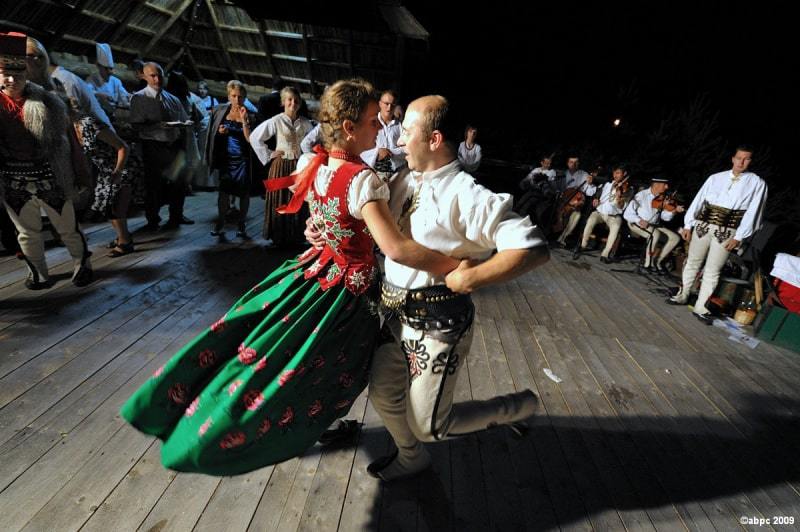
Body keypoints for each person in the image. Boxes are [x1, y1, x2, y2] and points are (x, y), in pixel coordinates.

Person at [120, 78, 460, 475]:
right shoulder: (363, 181)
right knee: (332, 366)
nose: (379, 127)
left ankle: (310, 425)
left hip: (313, 276)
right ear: (349, 128)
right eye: (371, 121)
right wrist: (455, 267)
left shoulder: (316, 166)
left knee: (296, 361)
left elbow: (321, 221)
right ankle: (379, 444)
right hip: (346, 294)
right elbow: (396, 248)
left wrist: (319, 231)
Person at [364, 95, 550, 481]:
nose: (399, 141)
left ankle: (515, 408)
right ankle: (410, 457)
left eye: (407, 133)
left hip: (438, 324)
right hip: (396, 315)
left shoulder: (467, 195)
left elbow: (533, 248)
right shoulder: (402, 177)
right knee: (382, 394)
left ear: (434, 139)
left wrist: (471, 277)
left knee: (431, 426)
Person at [0, 31, 93, 289]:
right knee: (27, 231)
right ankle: (38, 272)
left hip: (49, 173)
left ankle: (81, 263)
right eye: (4, 74)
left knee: (66, 226)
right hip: (12, 178)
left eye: (17, 73)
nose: (10, 79)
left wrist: (80, 171)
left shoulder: (49, 100)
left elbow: (69, 141)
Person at [667, 146, 767, 323]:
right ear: (733, 158)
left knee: (713, 269)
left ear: (751, 161)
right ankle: (683, 294)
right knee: (692, 261)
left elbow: (754, 212)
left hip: (727, 230)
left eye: (746, 159)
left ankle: (701, 305)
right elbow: (700, 199)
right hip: (703, 225)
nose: (741, 162)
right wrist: (688, 224)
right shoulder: (716, 178)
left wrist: (739, 236)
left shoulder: (757, 183)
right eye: (739, 158)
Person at [128, 62, 194, 231]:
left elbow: (184, 119)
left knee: (179, 182)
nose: (157, 79)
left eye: (159, 75)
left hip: (174, 144)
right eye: (152, 76)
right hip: (154, 145)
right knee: (154, 184)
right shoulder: (139, 98)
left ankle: (176, 215)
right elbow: (136, 126)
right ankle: (152, 218)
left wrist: (184, 125)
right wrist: (156, 126)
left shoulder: (172, 99)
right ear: (144, 76)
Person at [250, 86, 313, 245]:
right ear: (283, 102)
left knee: (298, 199)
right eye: (289, 99)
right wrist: (269, 153)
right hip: (281, 166)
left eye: (296, 100)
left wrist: (309, 157)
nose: (293, 103)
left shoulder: (305, 123)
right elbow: (255, 137)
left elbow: (314, 140)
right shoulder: (276, 120)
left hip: (299, 166)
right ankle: (278, 237)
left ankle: (297, 236)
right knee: (280, 199)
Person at [206, 80, 257, 239]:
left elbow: (250, 139)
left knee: (243, 193)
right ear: (229, 96)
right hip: (226, 158)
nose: (237, 100)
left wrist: (244, 121)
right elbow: (212, 133)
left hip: (243, 159)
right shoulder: (221, 111)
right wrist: (220, 133)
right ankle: (221, 222)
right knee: (223, 192)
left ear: (245, 98)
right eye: (234, 96)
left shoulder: (250, 114)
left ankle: (241, 223)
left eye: (240, 97)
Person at [623, 177, 684, 274]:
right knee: (654, 234)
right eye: (665, 185)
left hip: (654, 224)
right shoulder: (641, 195)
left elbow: (665, 217)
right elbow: (627, 214)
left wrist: (674, 211)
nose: (667, 187)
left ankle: (657, 261)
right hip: (637, 223)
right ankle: (648, 264)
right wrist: (639, 220)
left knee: (675, 238)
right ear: (656, 185)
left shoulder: (662, 198)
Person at [575, 164, 630, 263]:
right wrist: (596, 199)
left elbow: (622, 206)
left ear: (624, 174)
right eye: (614, 173)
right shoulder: (607, 184)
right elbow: (597, 193)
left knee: (616, 227)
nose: (615, 175)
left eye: (618, 173)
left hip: (613, 216)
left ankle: (605, 253)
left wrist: (619, 198)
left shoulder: (628, 189)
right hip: (600, 212)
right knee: (590, 220)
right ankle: (583, 245)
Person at [360, 89, 405, 181]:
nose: (389, 108)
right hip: (374, 172)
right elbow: (361, 145)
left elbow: (406, 147)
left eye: (392, 105)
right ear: (380, 103)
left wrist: (390, 151)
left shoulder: (400, 125)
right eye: (386, 104)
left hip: (397, 172)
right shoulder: (370, 122)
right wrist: (377, 152)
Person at [555, 156, 597, 246]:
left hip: (575, 203)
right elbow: (556, 188)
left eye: (576, 162)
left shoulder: (584, 175)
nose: (573, 164)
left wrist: (590, 183)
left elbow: (590, 192)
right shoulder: (563, 174)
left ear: (578, 164)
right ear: (567, 163)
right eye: (571, 162)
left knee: (577, 215)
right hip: (563, 201)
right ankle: (552, 230)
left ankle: (563, 237)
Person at [87, 42, 131, 117]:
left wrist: (130, 97)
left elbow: (123, 97)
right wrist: (99, 94)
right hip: (97, 116)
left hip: (113, 116)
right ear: (99, 66)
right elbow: (87, 92)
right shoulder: (92, 79)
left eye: (111, 69)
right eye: (106, 69)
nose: (110, 72)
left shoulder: (116, 81)